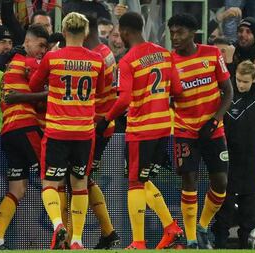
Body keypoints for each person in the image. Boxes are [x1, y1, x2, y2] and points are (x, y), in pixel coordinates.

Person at [96, 11, 184, 250]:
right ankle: (171, 227)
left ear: (125, 31)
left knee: (135, 183)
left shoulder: (127, 60)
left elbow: (123, 99)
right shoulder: (165, 54)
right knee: (143, 181)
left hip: (142, 128)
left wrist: (105, 118)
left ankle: (138, 242)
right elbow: (177, 88)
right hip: (164, 127)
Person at [29, 12, 105, 250]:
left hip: (57, 131)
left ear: (63, 32)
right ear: (85, 33)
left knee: (50, 183)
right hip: (84, 133)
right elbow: (101, 90)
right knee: (80, 183)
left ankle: (58, 224)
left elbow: (33, 86)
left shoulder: (53, 58)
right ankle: (77, 240)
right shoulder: (96, 60)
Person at [167, 13, 233, 249]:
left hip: (213, 129)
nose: (175, 37)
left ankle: (204, 225)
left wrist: (215, 120)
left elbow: (228, 91)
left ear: (193, 33)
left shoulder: (212, 54)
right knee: (189, 179)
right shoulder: (169, 62)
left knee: (221, 182)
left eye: (180, 32)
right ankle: (192, 238)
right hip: (185, 131)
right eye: (172, 32)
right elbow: (168, 98)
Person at [0, 24, 49, 250]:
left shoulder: (10, 65)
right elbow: (50, 94)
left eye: (45, 47)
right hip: (26, 127)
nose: (42, 51)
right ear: (28, 42)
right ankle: (64, 235)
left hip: (9, 132)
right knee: (53, 178)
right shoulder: (29, 63)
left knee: (17, 190)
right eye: (40, 45)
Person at [212, 60, 255, 249]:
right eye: (238, 80)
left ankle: (246, 247)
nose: (240, 84)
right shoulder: (226, 97)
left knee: (249, 212)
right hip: (228, 159)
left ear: (254, 80)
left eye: (245, 81)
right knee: (224, 209)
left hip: (252, 160)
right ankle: (220, 245)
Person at [83, 14, 120, 249]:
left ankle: (73, 238)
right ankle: (108, 233)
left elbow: (85, 93)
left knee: (77, 179)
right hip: (103, 125)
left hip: (95, 126)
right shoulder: (105, 51)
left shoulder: (94, 56)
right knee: (83, 179)